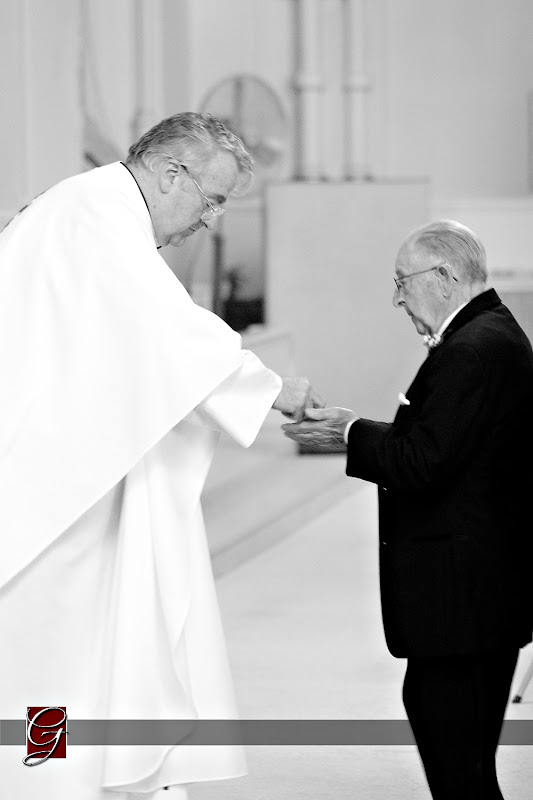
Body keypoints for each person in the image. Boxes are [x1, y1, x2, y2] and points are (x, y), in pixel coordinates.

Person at [0, 112, 321, 800]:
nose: (209, 219)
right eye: (211, 199)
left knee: (78, 648)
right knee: (54, 653)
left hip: (66, 473)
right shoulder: (96, 215)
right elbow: (166, 330)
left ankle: (68, 773)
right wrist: (273, 388)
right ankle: (43, 781)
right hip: (51, 487)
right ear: (172, 172)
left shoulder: (90, 207)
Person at [283, 220, 533, 800]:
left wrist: (349, 431)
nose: (397, 297)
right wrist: (357, 429)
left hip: (463, 604)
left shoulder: (473, 350)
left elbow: (422, 462)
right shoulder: (489, 336)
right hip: (478, 601)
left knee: (460, 771)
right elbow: (444, 443)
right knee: (466, 764)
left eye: (403, 281)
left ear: (444, 277)